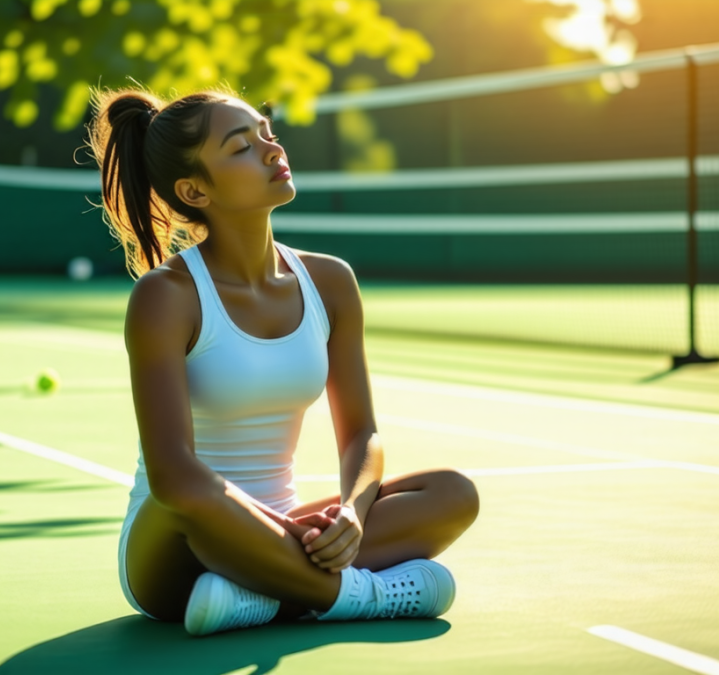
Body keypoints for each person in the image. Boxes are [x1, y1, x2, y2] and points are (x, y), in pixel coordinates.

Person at [87, 86, 480, 637]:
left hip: (293, 531)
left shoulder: (331, 282)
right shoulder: (165, 295)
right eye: (241, 146)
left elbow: (361, 434)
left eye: (267, 135)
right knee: (186, 493)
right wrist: (296, 541)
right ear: (194, 189)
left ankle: (262, 595)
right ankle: (357, 598)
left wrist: (350, 515)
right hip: (175, 547)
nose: (272, 150)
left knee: (452, 493)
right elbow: (174, 475)